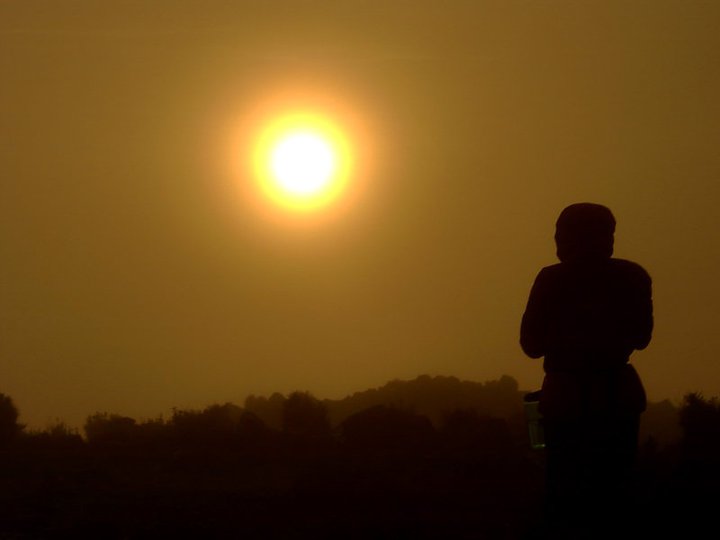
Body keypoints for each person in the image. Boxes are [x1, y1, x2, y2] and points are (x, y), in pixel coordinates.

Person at [520, 203, 653, 534]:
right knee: (614, 495)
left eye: (560, 235)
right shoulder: (633, 276)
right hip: (618, 397)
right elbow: (642, 336)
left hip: (567, 401)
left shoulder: (551, 280)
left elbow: (530, 344)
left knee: (565, 496)